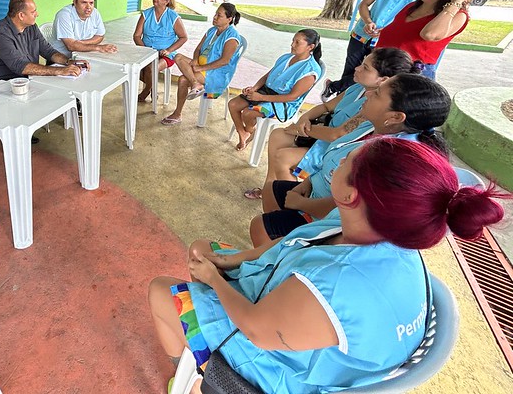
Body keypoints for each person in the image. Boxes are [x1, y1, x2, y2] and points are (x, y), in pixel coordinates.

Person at [149, 137, 507, 394]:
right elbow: (295, 240)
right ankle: (195, 344)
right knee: (201, 248)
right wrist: (234, 259)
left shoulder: (337, 284)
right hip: (295, 318)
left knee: (160, 290)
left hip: (282, 370)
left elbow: (258, 331)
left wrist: (216, 279)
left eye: (345, 161)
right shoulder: (375, 226)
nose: (336, 162)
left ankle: (189, 372)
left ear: (351, 194)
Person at [250, 73, 452, 247]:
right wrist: (308, 182)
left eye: (379, 93)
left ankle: (281, 260)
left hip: (337, 219)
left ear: (397, 117)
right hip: (318, 191)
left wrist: (302, 203)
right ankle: (280, 245)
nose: (370, 93)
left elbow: (347, 205)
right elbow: (334, 153)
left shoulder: (388, 159)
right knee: (272, 190)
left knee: (259, 227)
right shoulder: (372, 124)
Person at [243, 47, 417, 199]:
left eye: (365, 67)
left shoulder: (375, 107)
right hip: (321, 136)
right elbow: (326, 106)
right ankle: (269, 189)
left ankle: (289, 201)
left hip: (335, 150)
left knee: (283, 158)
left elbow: (338, 135)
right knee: (278, 135)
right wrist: (305, 119)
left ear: (383, 80)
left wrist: (304, 129)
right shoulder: (357, 88)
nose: (356, 68)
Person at [323, 0, 432, 97]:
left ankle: (336, 89)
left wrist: (386, 31)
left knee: (371, 77)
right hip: (361, 34)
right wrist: (368, 21)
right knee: (352, 70)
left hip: (385, 42)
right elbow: (364, 4)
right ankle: (337, 99)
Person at [228, 30, 322, 151]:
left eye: (297, 42)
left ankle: (249, 131)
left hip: (283, 103)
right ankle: (244, 133)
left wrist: (260, 98)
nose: (292, 45)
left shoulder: (310, 71)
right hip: (265, 92)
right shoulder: (286, 58)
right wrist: (254, 88)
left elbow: (292, 97)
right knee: (233, 104)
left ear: (311, 47)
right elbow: (268, 75)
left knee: (248, 113)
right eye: (293, 41)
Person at [375, 0, 471, 80]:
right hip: (382, 68)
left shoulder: (458, 15)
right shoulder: (411, 7)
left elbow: (429, 34)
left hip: (411, 75)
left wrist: (456, 2)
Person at [161, 3, 241, 125]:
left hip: (216, 73)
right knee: (177, 57)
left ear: (229, 19)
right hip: (201, 66)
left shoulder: (232, 37)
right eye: (215, 14)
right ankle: (195, 83)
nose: (215, 17)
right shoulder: (212, 31)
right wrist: (195, 60)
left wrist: (201, 67)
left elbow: (225, 61)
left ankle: (177, 114)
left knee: (183, 79)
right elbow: (198, 49)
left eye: (219, 15)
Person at [0, 0, 89, 83]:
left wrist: (68, 62)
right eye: (33, 12)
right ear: (21, 15)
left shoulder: (31, 27)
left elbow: (47, 51)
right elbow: (19, 65)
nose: (37, 14)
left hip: (30, 77)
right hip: (6, 82)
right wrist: (60, 70)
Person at [132, 0, 188, 102]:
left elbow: (183, 37)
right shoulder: (146, 14)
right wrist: (145, 50)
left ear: (167, 1)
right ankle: (151, 88)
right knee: (132, 70)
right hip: (146, 52)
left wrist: (169, 50)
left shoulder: (173, 17)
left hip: (166, 55)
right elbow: (136, 36)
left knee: (151, 68)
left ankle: (145, 91)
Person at [50, 0, 117, 57]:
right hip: (60, 59)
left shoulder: (95, 13)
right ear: (75, 2)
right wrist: (98, 47)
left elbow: (100, 36)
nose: (88, 7)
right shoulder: (64, 15)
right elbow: (71, 46)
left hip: (82, 56)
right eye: (84, 2)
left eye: (91, 3)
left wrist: (79, 44)